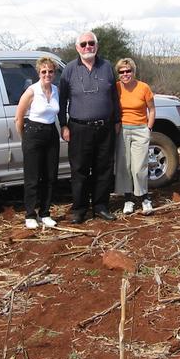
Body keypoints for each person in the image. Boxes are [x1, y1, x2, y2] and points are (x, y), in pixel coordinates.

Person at [58, 31, 121, 224]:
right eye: (83, 44)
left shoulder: (107, 66)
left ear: (97, 45)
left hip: (105, 128)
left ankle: (101, 206)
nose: (87, 47)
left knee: (104, 168)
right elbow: (62, 101)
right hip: (79, 129)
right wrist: (63, 125)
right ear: (77, 48)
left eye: (91, 43)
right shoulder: (69, 69)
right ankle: (80, 209)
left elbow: (114, 97)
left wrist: (117, 120)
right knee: (80, 170)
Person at [14, 57, 60, 229]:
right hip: (33, 133)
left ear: (54, 73)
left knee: (50, 177)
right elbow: (18, 118)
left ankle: (45, 213)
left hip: (51, 133)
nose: (47, 74)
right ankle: (30, 214)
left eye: (50, 71)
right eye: (44, 71)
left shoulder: (56, 90)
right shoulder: (31, 91)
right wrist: (24, 139)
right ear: (39, 72)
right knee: (33, 177)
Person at [114, 58, 156, 215]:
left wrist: (149, 128)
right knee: (125, 167)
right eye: (122, 71)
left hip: (140, 129)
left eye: (128, 70)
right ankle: (128, 200)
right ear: (118, 74)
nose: (125, 74)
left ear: (133, 71)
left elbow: (151, 109)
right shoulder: (116, 88)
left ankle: (144, 198)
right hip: (123, 130)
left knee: (139, 168)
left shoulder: (143, 87)